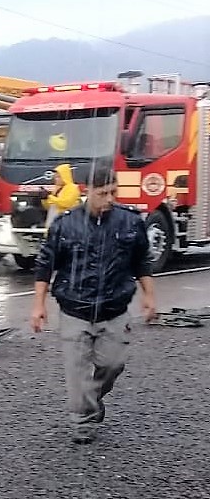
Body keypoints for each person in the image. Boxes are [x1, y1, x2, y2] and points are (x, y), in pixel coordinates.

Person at [30, 162, 157, 444]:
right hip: (74, 309)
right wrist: (38, 306)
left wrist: (149, 297)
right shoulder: (65, 224)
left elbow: (142, 262)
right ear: (88, 191)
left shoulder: (130, 221)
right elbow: (44, 266)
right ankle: (83, 421)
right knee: (76, 372)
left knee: (113, 365)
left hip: (114, 310)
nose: (110, 199)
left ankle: (93, 399)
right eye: (103, 193)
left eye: (114, 192)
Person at [41, 163, 81, 227]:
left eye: (58, 177)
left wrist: (50, 196)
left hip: (67, 222)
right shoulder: (56, 189)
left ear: (65, 176)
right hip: (54, 222)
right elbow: (50, 207)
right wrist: (44, 199)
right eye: (55, 177)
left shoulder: (73, 188)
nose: (56, 179)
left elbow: (66, 203)